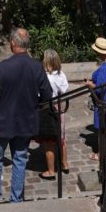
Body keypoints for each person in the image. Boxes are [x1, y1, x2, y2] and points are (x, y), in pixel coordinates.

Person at [0, 27, 51, 205]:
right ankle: (16, 198)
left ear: (12, 43)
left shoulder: (3, 68)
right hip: (25, 122)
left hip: (2, 123)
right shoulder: (36, 67)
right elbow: (47, 95)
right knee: (19, 160)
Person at [34, 48, 70, 180]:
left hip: (48, 108)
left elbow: (39, 93)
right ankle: (64, 163)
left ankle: (51, 170)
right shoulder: (61, 74)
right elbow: (65, 89)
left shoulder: (45, 77)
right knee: (61, 136)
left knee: (49, 141)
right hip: (60, 107)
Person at [88, 36, 106, 145]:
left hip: (104, 102)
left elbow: (99, 89)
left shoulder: (104, 69)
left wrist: (90, 84)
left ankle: (101, 154)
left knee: (103, 128)